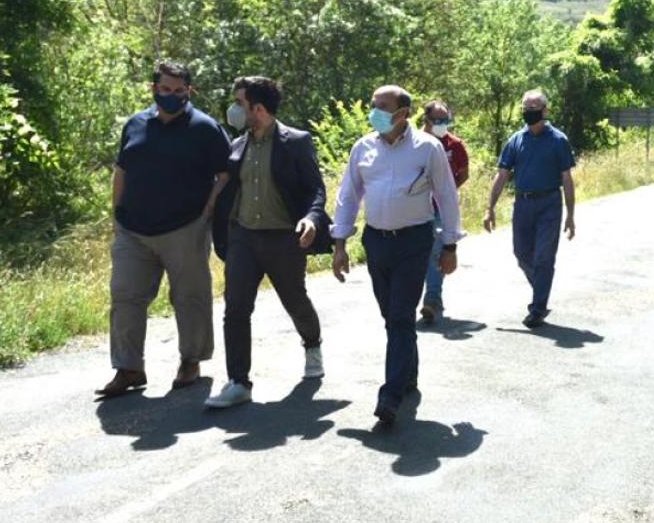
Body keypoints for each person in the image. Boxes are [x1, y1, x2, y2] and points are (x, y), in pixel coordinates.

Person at [97, 62, 231, 398]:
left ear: (189, 91)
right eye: (166, 89)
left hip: (184, 228)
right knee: (125, 296)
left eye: (179, 90)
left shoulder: (205, 127)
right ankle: (128, 368)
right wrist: (116, 215)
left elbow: (226, 171)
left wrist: (209, 208)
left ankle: (191, 361)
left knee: (189, 297)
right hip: (133, 230)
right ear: (154, 88)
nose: (173, 96)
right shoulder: (136, 124)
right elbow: (121, 170)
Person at [330, 85, 462, 425]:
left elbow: (447, 196)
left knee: (402, 315)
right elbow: (348, 195)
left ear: (402, 113)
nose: (375, 112)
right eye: (373, 105)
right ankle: (408, 374)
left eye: (382, 106)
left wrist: (450, 245)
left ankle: (390, 396)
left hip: (414, 242)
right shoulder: (363, 148)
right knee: (393, 316)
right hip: (377, 242)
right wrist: (340, 243)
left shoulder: (427, 148)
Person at [204, 76, 333, 409]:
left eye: (239, 103)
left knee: (295, 300)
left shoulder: (296, 142)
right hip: (243, 238)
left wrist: (311, 218)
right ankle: (238, 381)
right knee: (236, 308)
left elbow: (316, 190)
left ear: (257, 108)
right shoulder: (236, 145)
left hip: (283, 240)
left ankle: (312, 344)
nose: (234, 109)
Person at [482, 89, 576, 328]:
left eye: (535, 109)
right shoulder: (516, 140)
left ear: (545, 111)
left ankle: (538, 307)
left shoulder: (558, 140)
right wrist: (489, 208)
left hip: (549, 205)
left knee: (544, 257)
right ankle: (542, 289)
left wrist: (571, 215)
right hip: (523, 205)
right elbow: (502, 175)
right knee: (522, 254)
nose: (530, 113)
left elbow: (566, 178)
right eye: (526, 109)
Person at [419, 100, 469, 324]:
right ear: (426, 120)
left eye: (445, 120)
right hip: (414, 209)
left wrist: (445, 193)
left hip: (440, 209)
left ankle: (432, 299)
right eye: (437, 120)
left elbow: (464, 173)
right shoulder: (413, 142)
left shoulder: (455, 145)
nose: (442, 124)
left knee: (436, 251)